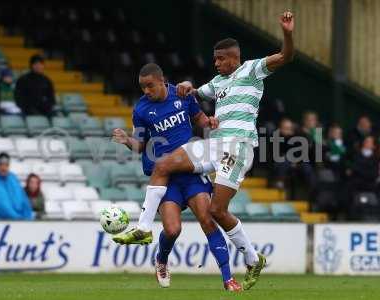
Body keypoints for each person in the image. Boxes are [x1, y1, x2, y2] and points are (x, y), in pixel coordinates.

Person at [114, 11, 295, 290]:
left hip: (239, 146)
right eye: (215, 59)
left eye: (221, 59)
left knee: (217, 211)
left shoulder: (251, 69)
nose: (217, 63)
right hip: (215, 145)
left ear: (234, 58)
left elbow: (284, 57)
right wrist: (188, 87)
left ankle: (250, 257)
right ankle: (143, 228)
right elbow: (195, 92)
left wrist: (287, 33)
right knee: (163, 164)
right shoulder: (218, 83)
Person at [113, 63, 241, 291]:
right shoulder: (141, 110)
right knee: (173, 230)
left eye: (149, 86)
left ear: (162, 81)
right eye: (142, 87)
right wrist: (127, 141)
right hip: (165, 178)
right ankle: (162, 260)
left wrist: (211, 123)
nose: (146, 91)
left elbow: (201, 121)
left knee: (208, 220)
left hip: (191, 171)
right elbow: (141, 145)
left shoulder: (182, 95)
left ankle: (228, 278)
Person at [0, 152, 34, 220]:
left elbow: (24, 201)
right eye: (1, 164)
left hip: (18, 221)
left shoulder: (13, 178)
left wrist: (27, 218)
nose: (3, 168)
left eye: (6, 165)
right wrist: (18, 219)